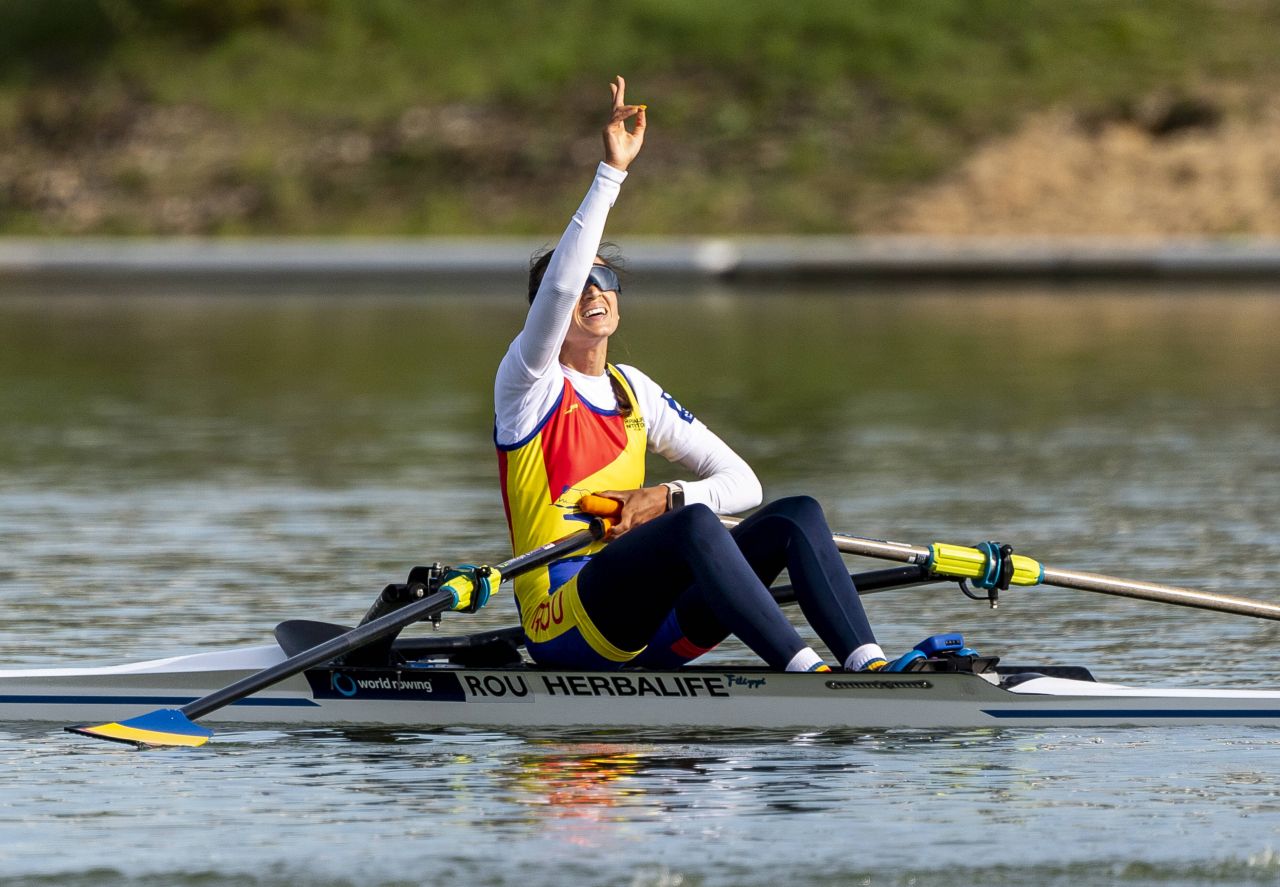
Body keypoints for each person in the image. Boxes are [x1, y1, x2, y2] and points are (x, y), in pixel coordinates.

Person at [493, 76, 903, 674]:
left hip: (650, 629)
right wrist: (612, 172)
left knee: (796, 515)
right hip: (565, 623)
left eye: (605, 282)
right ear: (545, 311)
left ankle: (867, 666)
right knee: (691, 528)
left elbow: (743, 483)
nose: (593, 293)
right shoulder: (527, 384)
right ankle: (807, 675)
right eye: (581, 283)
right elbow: (558, 283)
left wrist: (665, 493)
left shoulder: (635, 390)